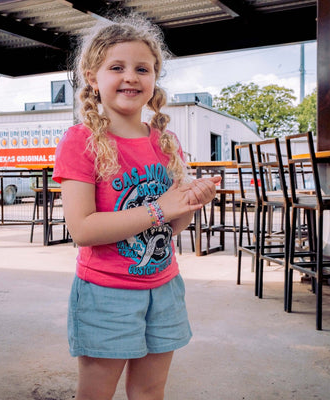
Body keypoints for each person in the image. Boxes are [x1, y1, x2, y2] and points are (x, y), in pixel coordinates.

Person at [52, 14, 221, 400]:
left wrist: (190, 203)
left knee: (149, 391)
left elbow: (169, 230)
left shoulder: (166, 142)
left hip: (165, 288)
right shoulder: (81, 141)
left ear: (154, 79)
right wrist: (161, 208)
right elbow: (82, 230)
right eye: (117, 67)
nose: (131, 77)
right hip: (105, 293)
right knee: (97, 393)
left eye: (142, 68)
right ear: (93, 78)